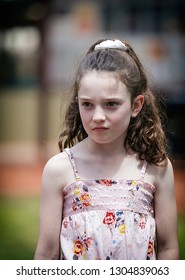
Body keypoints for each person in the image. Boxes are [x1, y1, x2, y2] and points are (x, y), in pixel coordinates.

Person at [34, 38, 179, 260]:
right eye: (87, 104)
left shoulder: (156, 168)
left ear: (136, 105)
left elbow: (169, 249)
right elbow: (46, 255)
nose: (98, 117)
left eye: (111, 104)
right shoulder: (59, 169)